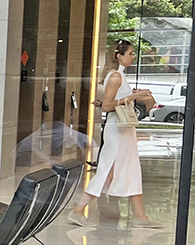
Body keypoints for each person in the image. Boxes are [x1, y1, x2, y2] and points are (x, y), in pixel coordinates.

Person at [68, 40, 161, 229]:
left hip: (123, 130)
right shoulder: (116, 76)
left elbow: (107, 103)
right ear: (119, 55)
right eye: (130, 54)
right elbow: (108, 105)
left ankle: (140, 216)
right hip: (117, 130)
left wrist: (133, 96)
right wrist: (134, 96)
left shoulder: (118, 76)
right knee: (107, 171)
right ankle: (78, 210)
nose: (133, 57)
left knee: (130, 168)